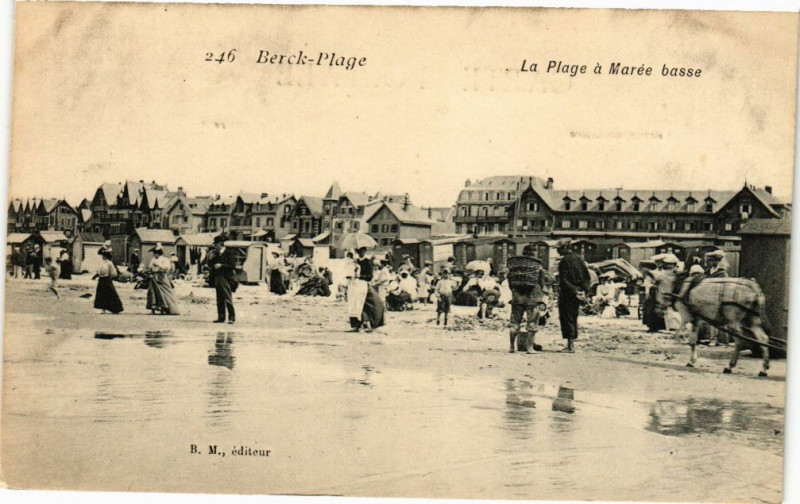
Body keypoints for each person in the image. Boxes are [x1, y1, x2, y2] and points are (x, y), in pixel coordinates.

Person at [508, 245, 547, 354]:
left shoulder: (514, 267)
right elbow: (542, 283)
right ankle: (529, 348)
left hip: (517, 297)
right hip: (532, 298)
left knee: (514, 323)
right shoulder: (537, 267)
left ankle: (511, 347)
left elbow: (510, 283)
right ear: (534, 253)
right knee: (532, 323)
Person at [557, 240, 591, 352]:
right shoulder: (579, 259)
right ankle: (571, 344)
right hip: (578, 293)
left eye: (559, 248)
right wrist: (584, 291)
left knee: (566, 317)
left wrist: (573, 290)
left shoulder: (564, 261)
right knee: (574, 316)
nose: (558, 251)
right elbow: (587, 277)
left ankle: (570, 345)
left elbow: (563, 279)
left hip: (567, 293)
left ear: (565, 247)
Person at [347, 247, 385, 331]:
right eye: (359, 251)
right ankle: (357, 325)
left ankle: (368, 324)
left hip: (363, 285)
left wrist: (360, 276)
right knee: (354, 305)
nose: (361, 252)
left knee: (367, 304)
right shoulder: (355, 262)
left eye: (362, 251)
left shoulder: (368, 262)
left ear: (364, 251)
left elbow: (370, 277)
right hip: (355, 285)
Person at [146, 243, 181, 315]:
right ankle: (154, 308)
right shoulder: (153, 260)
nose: (154, 255)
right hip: (154, 277)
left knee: (165, 292)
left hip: (162, 277)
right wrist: (150, 272)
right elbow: (149, 268)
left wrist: (158, 265)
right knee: (153, 292)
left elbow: (167, 268)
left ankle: (166, 308)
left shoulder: (166, 260)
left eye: (155, 253)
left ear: (158, 253)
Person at [209, 233, 237, 324]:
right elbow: (210, 265)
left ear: (220, 244)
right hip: (217, 278)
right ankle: (221, 317)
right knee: (219, 299)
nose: (214, 246)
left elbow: (232, 266)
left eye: (215, 244)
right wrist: (210, 259)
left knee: (227, 298)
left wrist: (221, 265)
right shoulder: (215, 254)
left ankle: (231, 317)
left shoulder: (229, 253)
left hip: (226, 278)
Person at [93, 249, 123, 314]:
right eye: (102, 255)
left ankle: (114, 309)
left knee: (110, 293)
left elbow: (114, 273)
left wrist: (110, 277)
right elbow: (99, 271)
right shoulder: (102, 263)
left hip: (107, 279)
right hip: (101, 280)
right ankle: (103, 308)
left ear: (106, 256)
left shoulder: (109, 263)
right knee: (101, 294)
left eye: (103, 255)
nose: (102, 256)